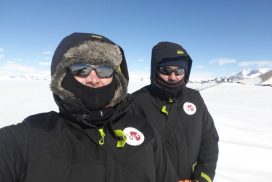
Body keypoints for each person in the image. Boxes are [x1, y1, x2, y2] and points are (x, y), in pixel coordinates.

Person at [0, 33, 178, 182]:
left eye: (105, 70)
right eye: (81, 69)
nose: (94, 79)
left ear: (117, 79)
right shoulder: (30, 136)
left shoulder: (145, 132)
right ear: (62, 77)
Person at [129, 41, 219, 182]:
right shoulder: (136, 102)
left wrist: (203, 177)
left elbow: (209, 140)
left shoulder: (194, 98)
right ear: (155, 69)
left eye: (179, 71)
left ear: (186, 72)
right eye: (166, 70)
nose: (172, 77)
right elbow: (128, 155)